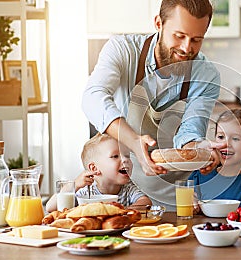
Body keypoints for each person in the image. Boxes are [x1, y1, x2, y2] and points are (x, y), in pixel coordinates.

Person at [82, 0, 225, 209]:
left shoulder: (206, 75)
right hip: (124, 194)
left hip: (177, 198)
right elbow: (92, 97)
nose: (187, 48)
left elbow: (190, 130)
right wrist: (133, 142)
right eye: (179, 36)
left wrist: (200, 150)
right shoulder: (123, 50)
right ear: (158, 23)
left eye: (196, 39)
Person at [46, 133, 151, 212]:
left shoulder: (127, 188)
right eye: (115, 156)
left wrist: (125, 212)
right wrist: (75, 185)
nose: (125, 160)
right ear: (94, 168)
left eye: (127, 155)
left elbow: (146, 202)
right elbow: (51, 207)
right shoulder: (86, 190)